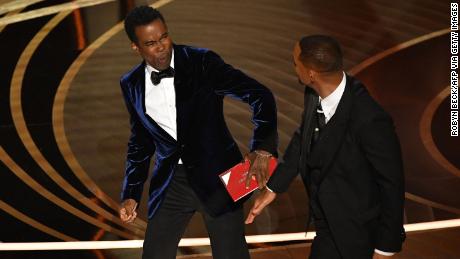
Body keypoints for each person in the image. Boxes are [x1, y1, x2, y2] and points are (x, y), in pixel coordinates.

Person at [117, 5, 277, 259]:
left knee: (231, 254)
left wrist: (263, 147)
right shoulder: (131, 83)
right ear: (135, 47)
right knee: (154, 254)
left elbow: (260, 95)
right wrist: (131, 193)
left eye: (164, 37)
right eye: (150, 43)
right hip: (171, 183)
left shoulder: (202, 62)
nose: (161, 47)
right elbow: (140, 142)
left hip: (220, 177)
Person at [245, 35, 405, 259]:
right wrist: (274, 188)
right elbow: (303, 138)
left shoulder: (370, 119)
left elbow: (392, 183)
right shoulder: (314, 93)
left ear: (311, 74)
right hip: (327, 223)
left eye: (295, 63)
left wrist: (385, 248)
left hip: (357, 233)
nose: (293, 67)